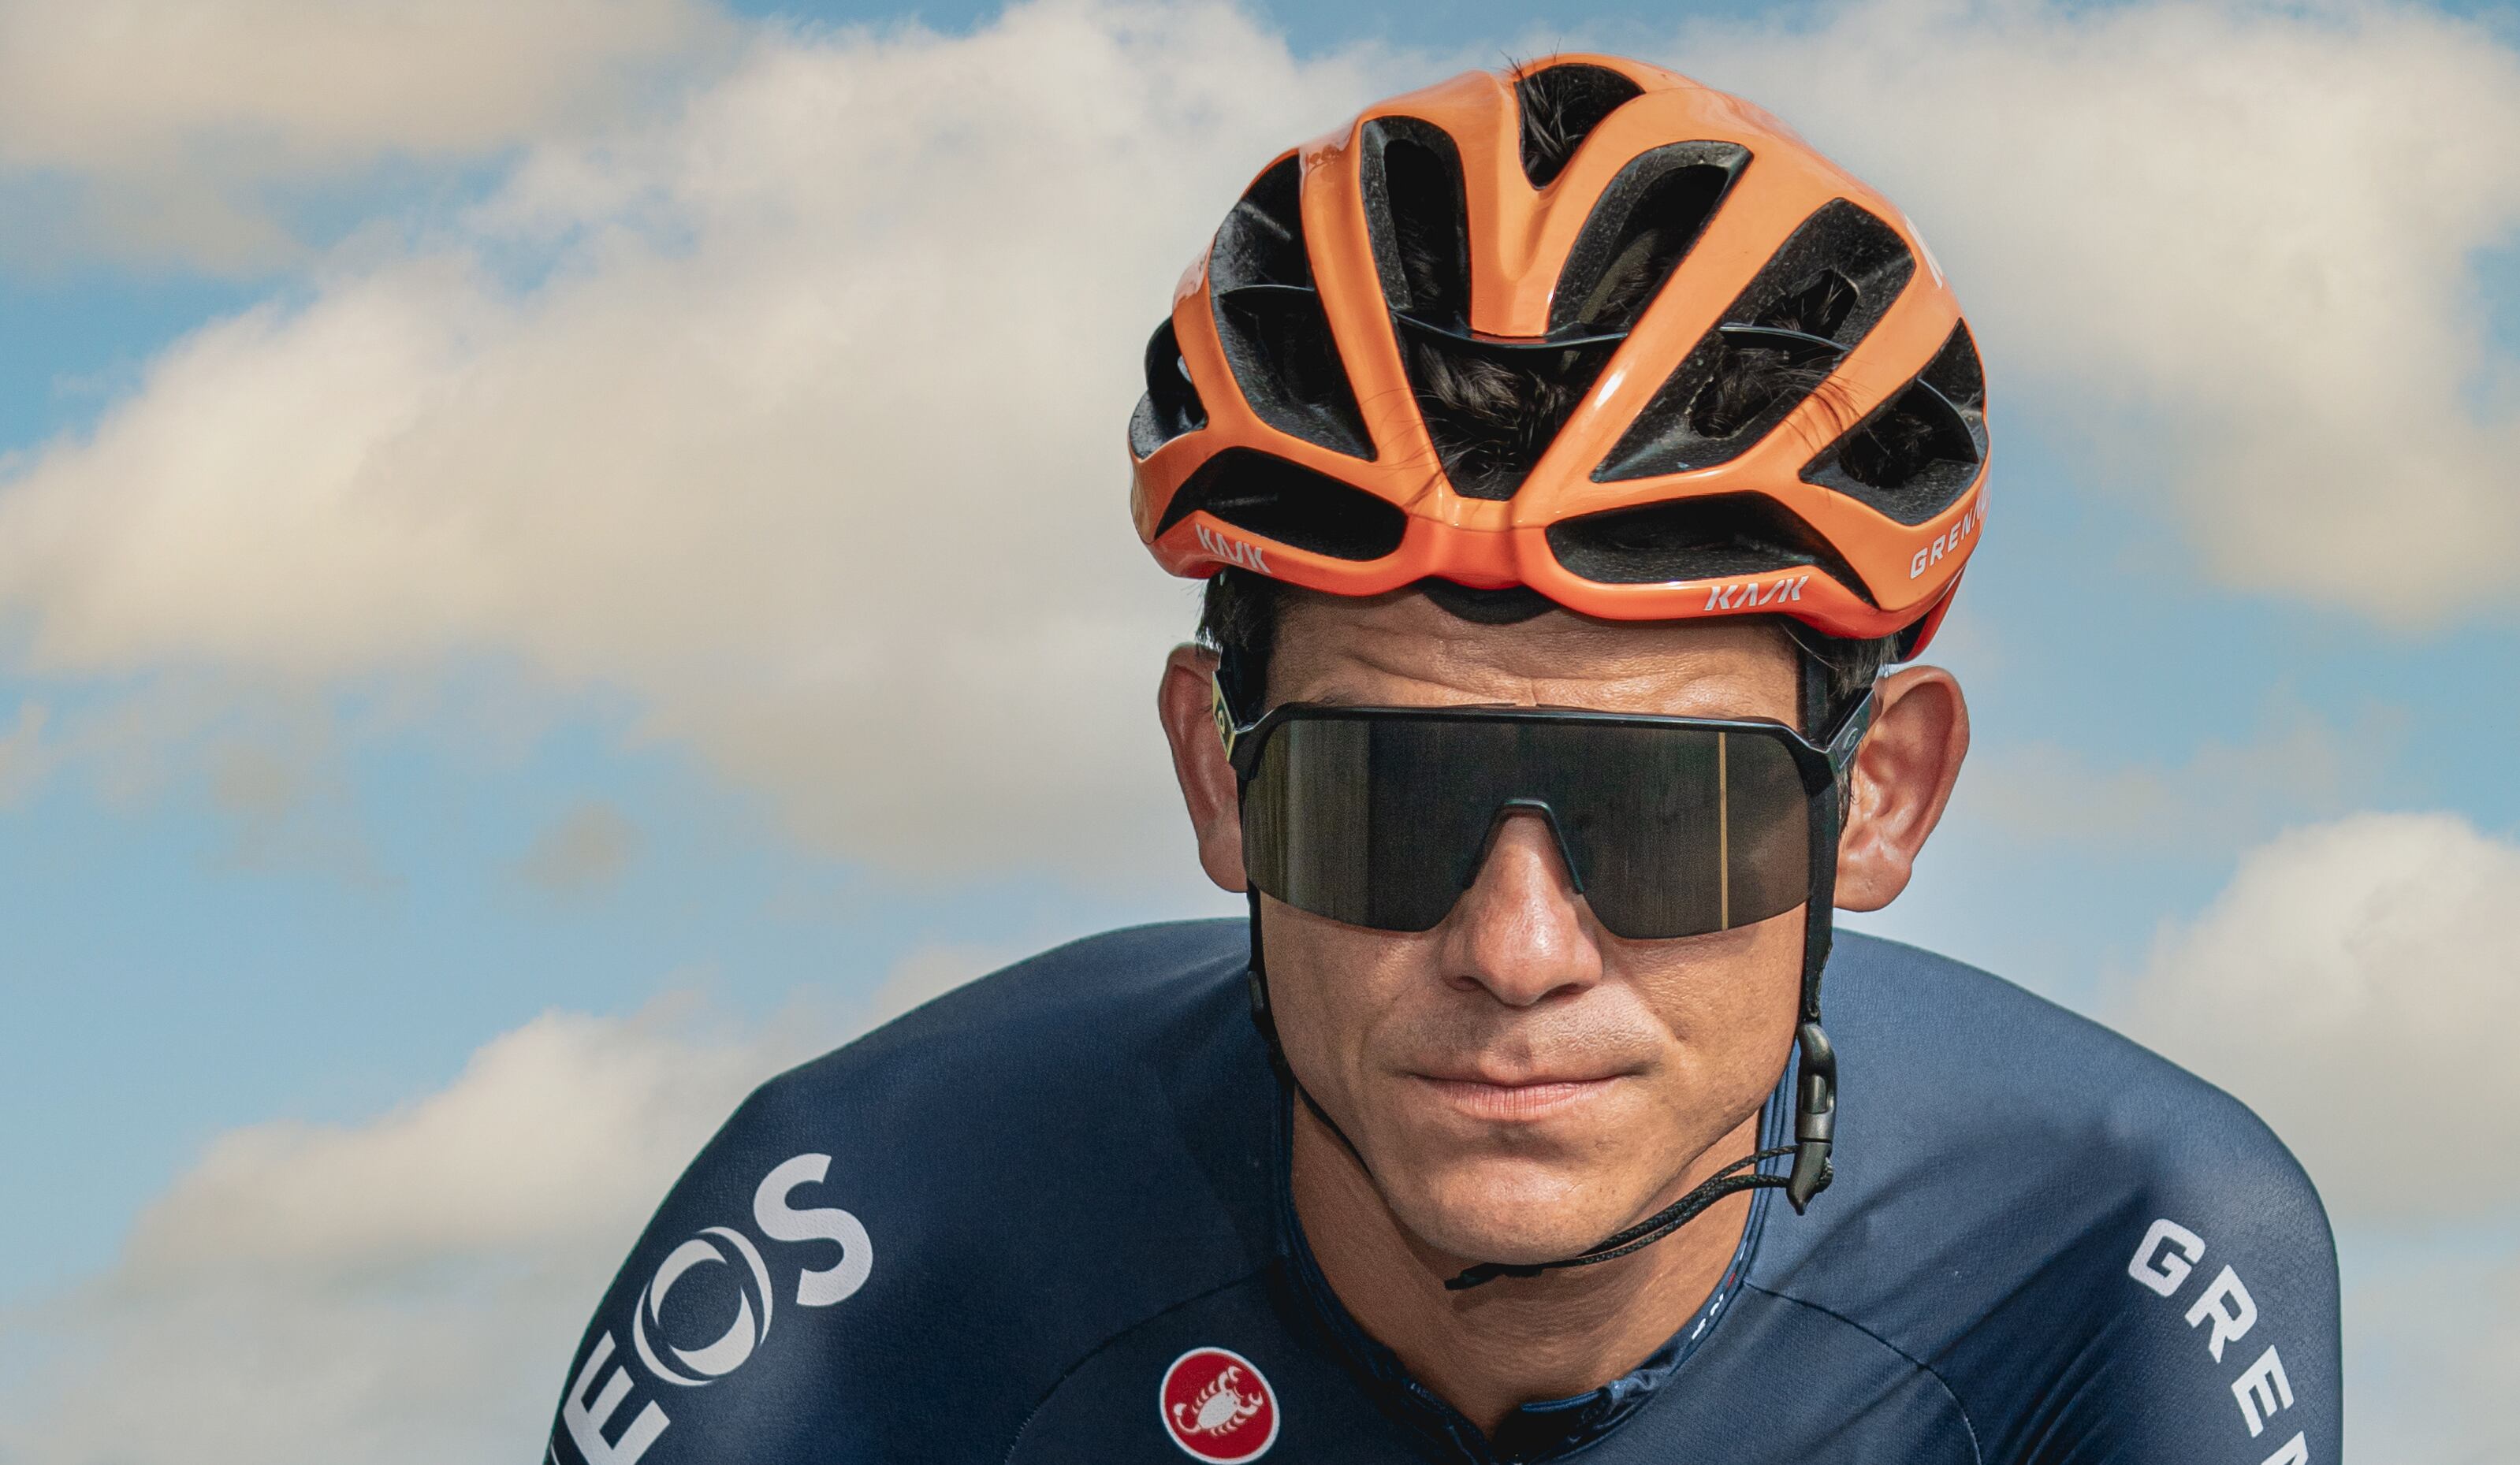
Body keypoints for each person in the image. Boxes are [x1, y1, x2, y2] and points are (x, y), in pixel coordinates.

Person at [545, 56, 2339, 1464]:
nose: (1518, 949)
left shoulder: (2127, 1259)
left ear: (1877, 802)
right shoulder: (851, 1241)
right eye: (1385, 804)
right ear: (1220, 782)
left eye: (1666, 814)